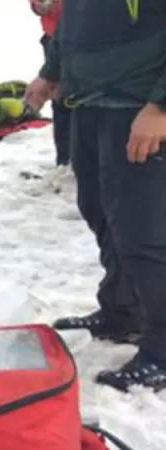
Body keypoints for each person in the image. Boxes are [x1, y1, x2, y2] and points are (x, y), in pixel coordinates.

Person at [25, 0, 166, 391]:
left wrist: (161, 108)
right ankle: (123, 309)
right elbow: (75, 16)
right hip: (89, 99)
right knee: (99, 209)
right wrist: (51, 70)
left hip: (140, 104)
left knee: (143, 228)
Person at [30, 0, 71, 167]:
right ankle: (65, 159)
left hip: (90, 39)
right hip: (53, 36)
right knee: (60, 99)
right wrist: (38, 5)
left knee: (86, 101)